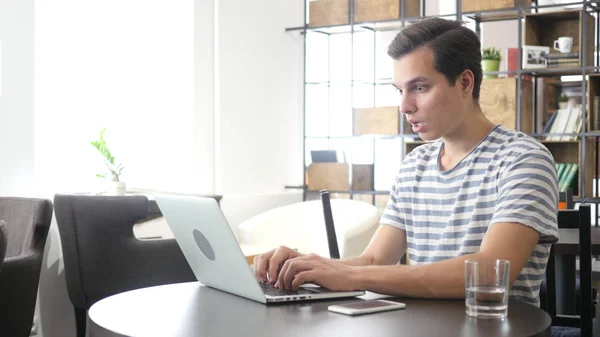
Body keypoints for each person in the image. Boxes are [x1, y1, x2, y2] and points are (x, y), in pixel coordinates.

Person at [254, 17, 559, 307]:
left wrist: (347, 275)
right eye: (400, 90)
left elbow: (491, 271)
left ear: (465, 82)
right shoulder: (416, 163)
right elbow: (373, 261)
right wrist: (307, 265)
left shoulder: (523, 159)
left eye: (420, 88)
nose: (404, 106)